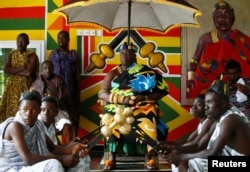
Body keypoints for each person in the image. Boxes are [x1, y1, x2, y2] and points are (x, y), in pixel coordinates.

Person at [98, 42, 169, 170]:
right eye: (123, 53)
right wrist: (121, 99)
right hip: (117, 106)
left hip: (141, 105)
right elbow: (102, 93)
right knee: (108, 118)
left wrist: (145, 98)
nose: (125, 55)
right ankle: (112, 159)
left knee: (147, 114)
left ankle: (148, 158)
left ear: (134, 56)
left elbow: (162, 91)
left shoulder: (145, 71)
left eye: (128, 53)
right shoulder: (113, 73)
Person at [166, 79, 250, 172]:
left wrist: (182, 156)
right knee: (185, 161)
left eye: (209, 102)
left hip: (242, 164)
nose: (206, 107)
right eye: (205, 103)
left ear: (223, 104)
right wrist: (176, 150)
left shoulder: (230, 119)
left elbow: (213, 152)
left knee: (190, 163)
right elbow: (199, 145)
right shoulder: (219, 119)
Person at [0, 90, 88, 172]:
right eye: (25, 110)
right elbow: (28, 159)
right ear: (19, 109)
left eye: (33, 110)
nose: (28, 114)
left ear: (39, 110)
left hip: (29, 167)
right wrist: (61, 159)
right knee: (54, 164)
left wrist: (76, 148)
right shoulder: (15, 126)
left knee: (80, 160)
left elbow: (54, 148)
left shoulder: (38, 125)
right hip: (13, 168)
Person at [187, 0, 250, 98]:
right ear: (214, 18)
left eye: (227, 14)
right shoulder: (205, 39)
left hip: (235, 89)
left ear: (233, 18)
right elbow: (194, 60)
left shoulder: (241, 39)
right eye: (218, 14)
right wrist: (190, 79)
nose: (222, 18)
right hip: (209, 88)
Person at [164, 94, 216, 172]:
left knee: (182, 162)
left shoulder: (209, 121)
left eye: (198, 105)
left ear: (206, 107)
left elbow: (197, 144)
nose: (193, 108)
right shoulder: (201, 123)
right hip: (202, 152)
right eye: (193, 105)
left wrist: (175, 149)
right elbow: (188, 141)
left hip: (207, 154)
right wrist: (167, 143)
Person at [38, 95, 91, 172]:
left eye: (50, 110)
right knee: (76, 160)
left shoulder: (51, 126)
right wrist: (65, 156)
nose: (46, 113)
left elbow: (57, 147)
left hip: (54, 156)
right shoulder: (38, 126)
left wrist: (72, 144)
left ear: (56, 112)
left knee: (82, 157)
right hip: (44, 161)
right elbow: (44, 153)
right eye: (43, 110)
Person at [30, 60, 74, 144]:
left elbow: (65, 97)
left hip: (58, 110)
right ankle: (42, 149)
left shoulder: (60, 81)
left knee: (66, 125)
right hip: (41, 111)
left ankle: (70, 150)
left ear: (53, 69)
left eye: (50, 68)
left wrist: (70, 110)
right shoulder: (36, 84)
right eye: (45, 68)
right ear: (41, 70)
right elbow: (33, 101)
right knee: (37, 125)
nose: (48, 70)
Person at [0, 33, 39, 122]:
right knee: (8, 114)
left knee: (23, 112)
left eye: (22, 41)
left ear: (27, 42)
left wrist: (13, 70)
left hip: (24, 89)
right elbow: (6, 70)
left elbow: (28, 73)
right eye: (18, 41)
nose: (20, 43)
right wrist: (22, 67)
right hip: (11, 89)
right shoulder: (12, 54)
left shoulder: (32, 55)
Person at [49, 30, 80, 135]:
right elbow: (49, 73)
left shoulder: (73, 55)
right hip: (57, 91)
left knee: (74, 115)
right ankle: (58, 143)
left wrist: (78, 92)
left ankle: (74, 141)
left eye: (63, 37)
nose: (60, 40)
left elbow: (77, 74)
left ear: (68, 39)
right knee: (58, 115)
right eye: (58, 38)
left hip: (71, 89)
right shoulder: (53, 55)